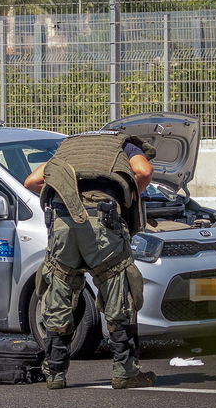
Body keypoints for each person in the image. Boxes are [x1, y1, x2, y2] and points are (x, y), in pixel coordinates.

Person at [24, 130, 156, 390]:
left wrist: (65, 197)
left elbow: (32, 181)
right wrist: (128, 198)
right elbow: (144, 171)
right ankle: (125, 372)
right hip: (102, 221)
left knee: (59, 287)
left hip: (62, 222)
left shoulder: (68, 148)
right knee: (118, 286)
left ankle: (55, 373)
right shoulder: (124, 145)